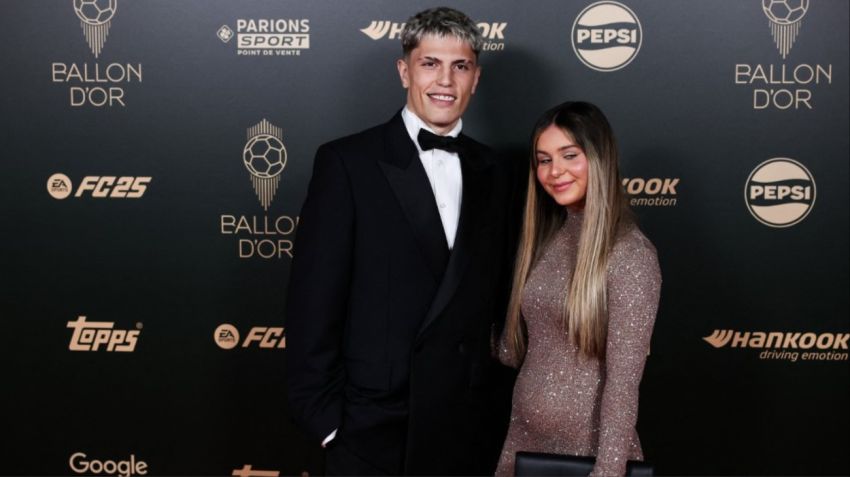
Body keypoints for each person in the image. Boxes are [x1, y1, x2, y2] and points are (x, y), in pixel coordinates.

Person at [286, 7, 516, 476]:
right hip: (373, 430)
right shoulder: (347, 163)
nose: (445, 81)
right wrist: (329, 423)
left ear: (476, 78)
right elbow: (313, 301)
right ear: (403, 70)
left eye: (460, 66)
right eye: (430, 63)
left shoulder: (499, 172)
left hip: (468, 427)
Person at [495, 101, 661, 476]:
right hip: (522, 441)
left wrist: (606, 472)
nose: (555, 172)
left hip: (587, 453)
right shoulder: (547, 237)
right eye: (543, 159)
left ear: (599, 157)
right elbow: (518, 348)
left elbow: (622, 387)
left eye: (569, 155)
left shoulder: (632, 255)